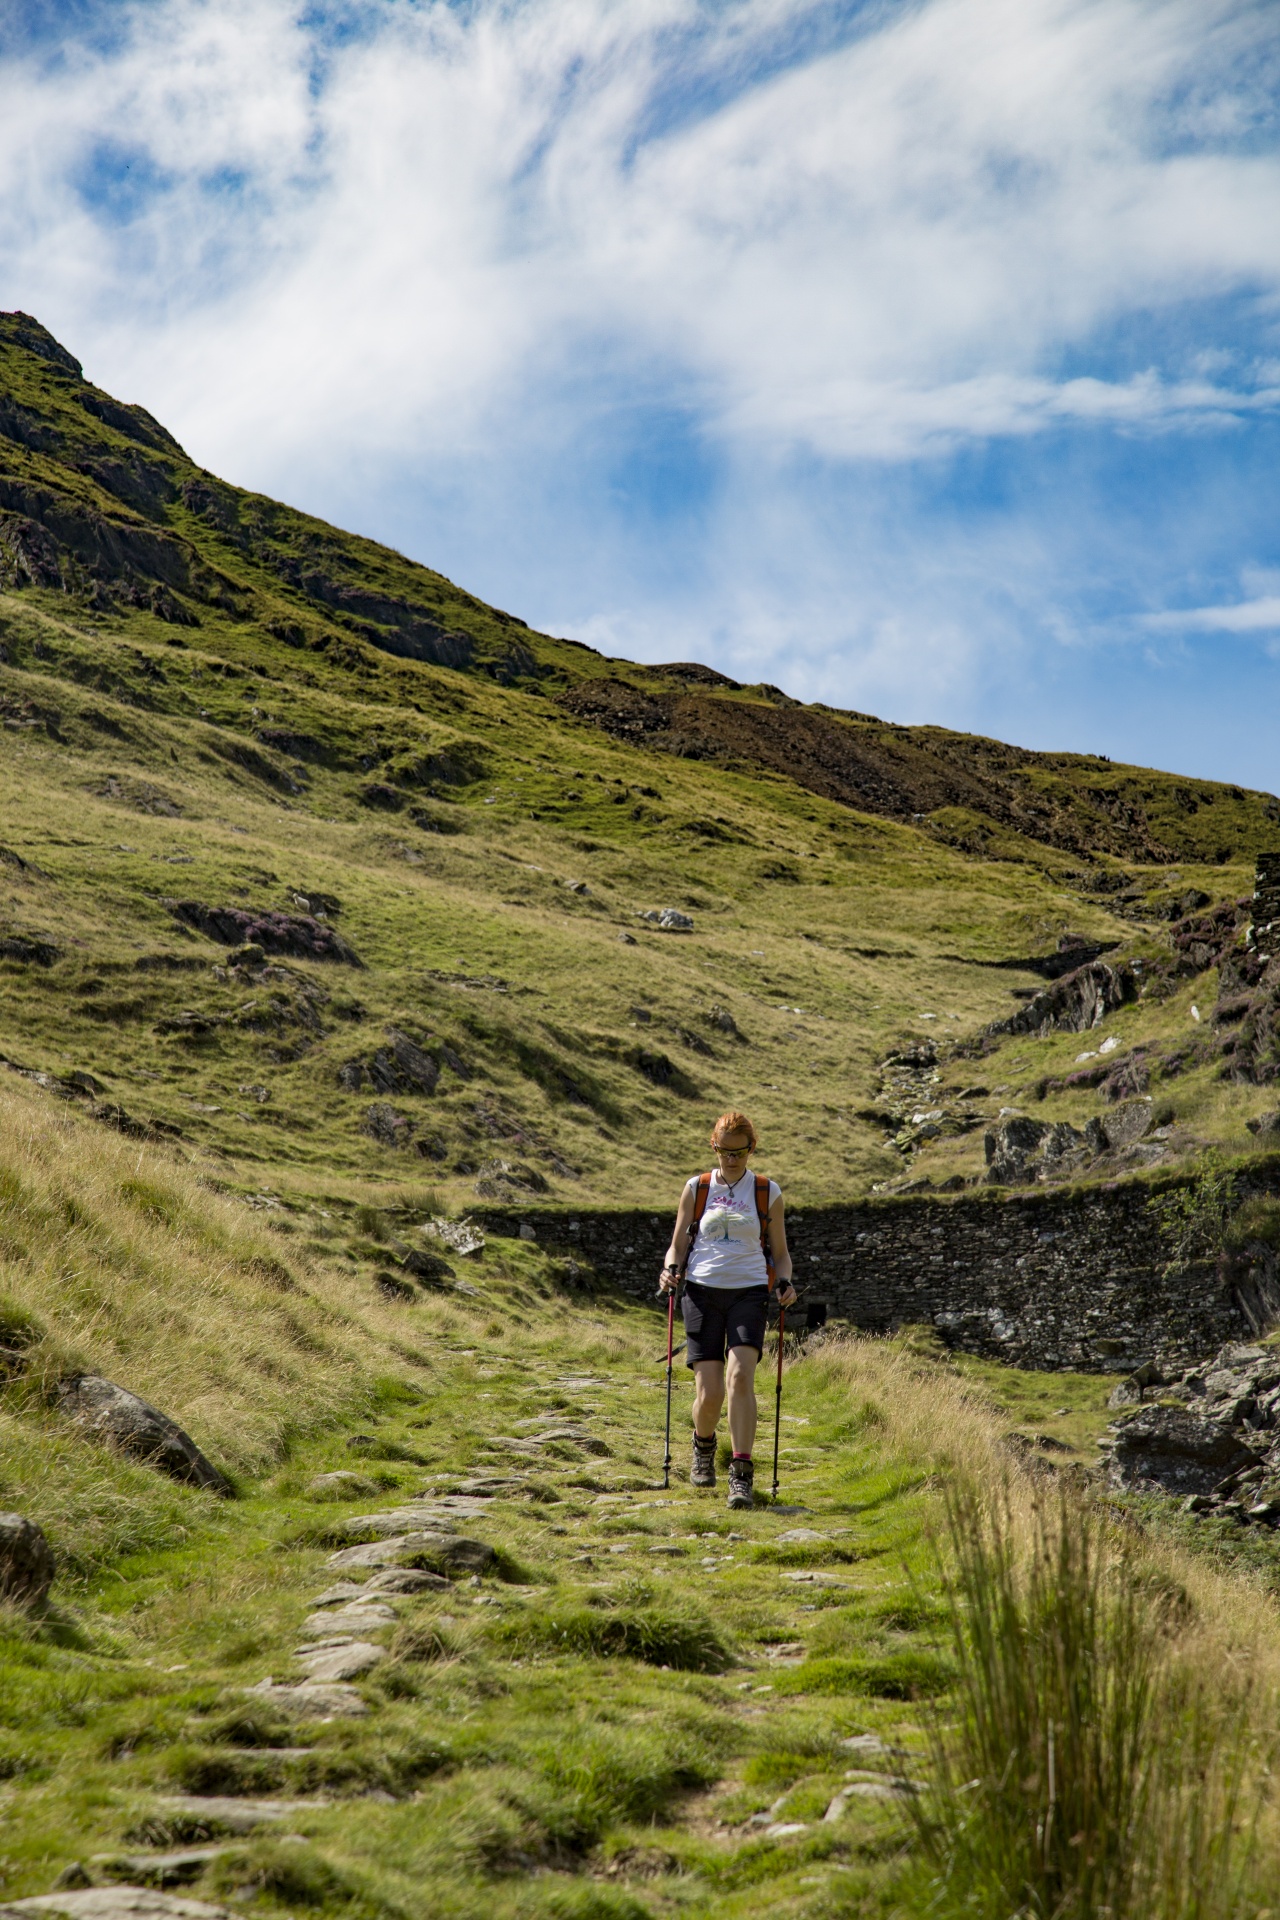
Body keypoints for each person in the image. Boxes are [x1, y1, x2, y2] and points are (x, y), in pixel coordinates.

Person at [658, 1111, 796, 1510]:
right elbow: (677, 1246)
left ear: (752, 1149)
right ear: (713, 1146)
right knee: (711, 1391)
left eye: (739, 1152)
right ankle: (703, 1446)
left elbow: (782, 1256)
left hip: (749, 1293)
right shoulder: (696, 1188)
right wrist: (670, 1269)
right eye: (724, 1152)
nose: (731, 1160)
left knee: (740, 1379)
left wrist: (785, 1283)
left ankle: (741, 1474)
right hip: (701, 1292)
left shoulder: (767, 1192)